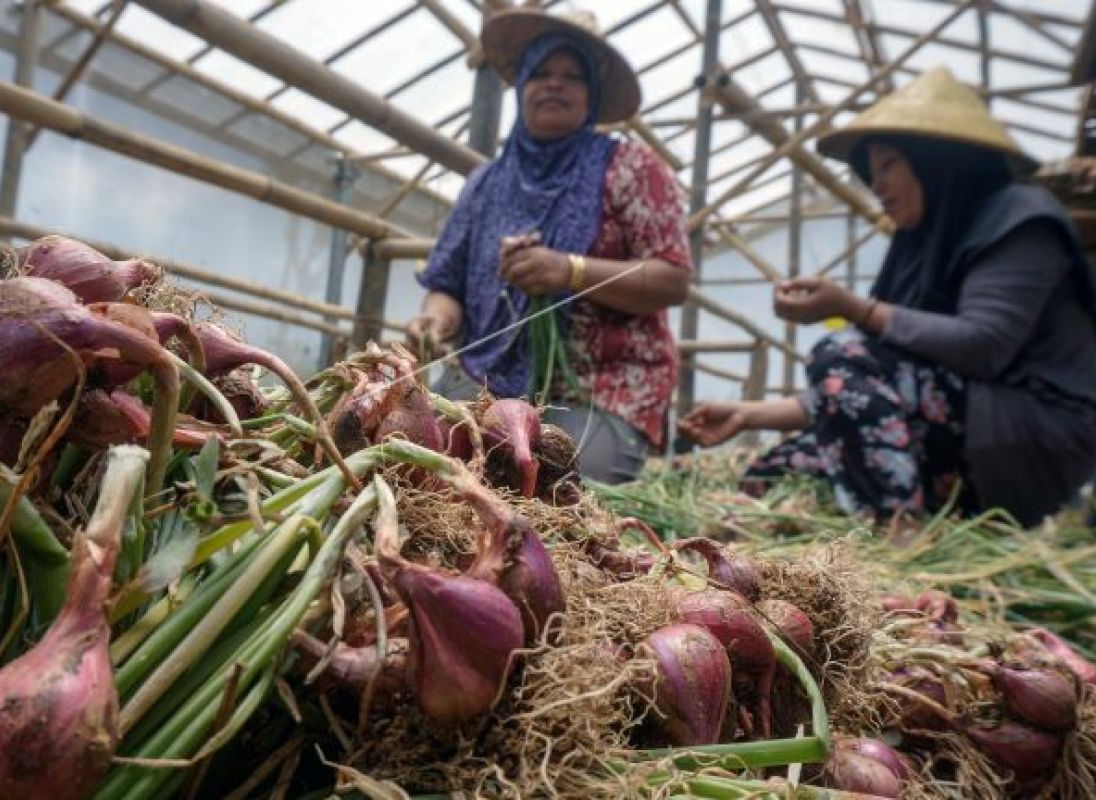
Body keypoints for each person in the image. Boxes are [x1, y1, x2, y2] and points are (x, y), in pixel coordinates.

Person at [678, 68, 1096, 529]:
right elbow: (864, 395)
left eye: (888, 165)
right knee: (772, 475)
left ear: (936, 160)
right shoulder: (919, 247)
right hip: (965, 431)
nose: (875, 186)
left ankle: (898, 542)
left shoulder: (1020, 218)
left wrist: (852, 307)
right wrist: (747, 414)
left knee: (838, 354)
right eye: (871, 172)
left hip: (1033, 438)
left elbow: (984, 345)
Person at [406, 8, 692, 484]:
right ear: (521, 87)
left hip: (600, 389)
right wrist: (436, 320)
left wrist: (570, 271)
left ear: (592, 95)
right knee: (425, 470)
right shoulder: (486, 183)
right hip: (485, 379)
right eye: (541, 72)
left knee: (565, 490)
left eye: (572, 77)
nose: (554, 84)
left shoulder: (631, 168)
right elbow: (446, 283)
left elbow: (672, 277)